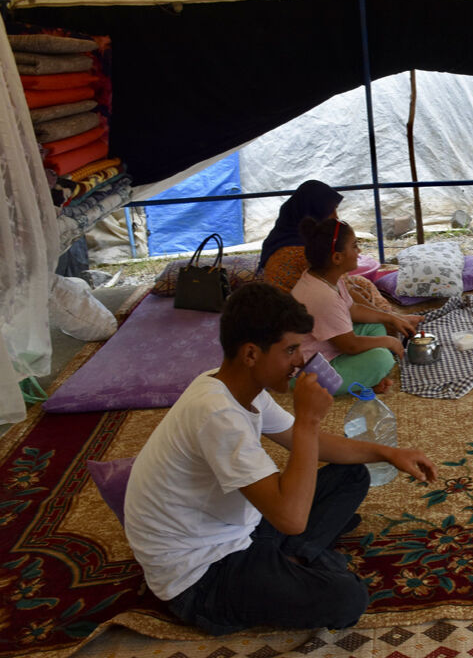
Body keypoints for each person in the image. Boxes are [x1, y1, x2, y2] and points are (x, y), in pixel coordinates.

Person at [124, 283, 437, 635]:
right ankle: (298, 560)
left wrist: (389, 453)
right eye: (290, 350)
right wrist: (308, 420)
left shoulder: (232, 386)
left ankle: (295, 559)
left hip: (241, 530)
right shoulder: (217, 415)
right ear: (251, 354)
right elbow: (291, 518)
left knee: (353, 475)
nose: (301, 361)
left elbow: (312, 443)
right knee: (347, 599)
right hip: (200, 577)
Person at [291, 217, 414, 394]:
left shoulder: (328, 277)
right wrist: (390, 342)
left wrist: (392, 317)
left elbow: (353, 309)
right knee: (382, 359)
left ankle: (364, 377)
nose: (359, 251)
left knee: (375, 325)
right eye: (354, 246)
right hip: (311, 370)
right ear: (337, 257)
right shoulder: (321, 296)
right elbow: (350, 346)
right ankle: (364, 379)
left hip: (330, 346)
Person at [259, 179, 413, 321]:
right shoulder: (303, 252)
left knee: (362, 283)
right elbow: (342, 292)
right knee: (362, 295)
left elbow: (341, 284)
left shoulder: (283, 235)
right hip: (298, 316)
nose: (335, 217)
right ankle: (392, 324)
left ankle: (391, 320)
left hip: (314, 297)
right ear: (313, 213)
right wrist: (387, 318)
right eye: (330, 212)